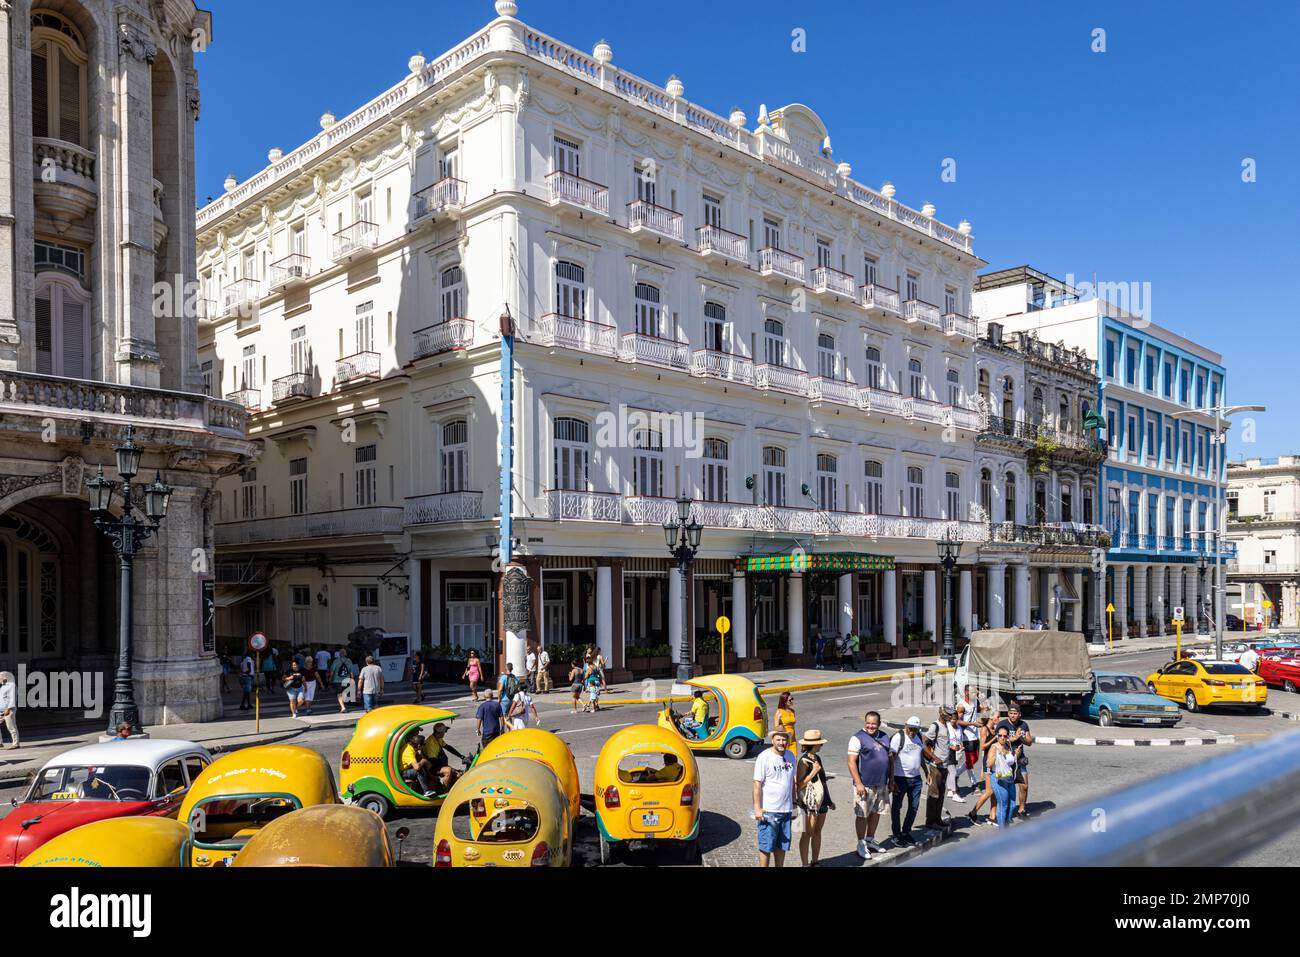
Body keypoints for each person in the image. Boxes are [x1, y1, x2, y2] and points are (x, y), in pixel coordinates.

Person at [847, 710, 892, 859]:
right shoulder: (857, 737)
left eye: (874, 723)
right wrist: (858, 783)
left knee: (876, 812)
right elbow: (851, 762)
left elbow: (891, 759)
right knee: (862, 815)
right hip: (865, 785)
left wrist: (891, 780)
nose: (871, 726)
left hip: (882, 783)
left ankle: (870, 840)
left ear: (879, 723)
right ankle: (861, 843)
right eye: (868, 723)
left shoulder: (884, 736)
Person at [889, 715, 936, 846]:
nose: (912, 732)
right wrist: (891, 780)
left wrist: (926, 772)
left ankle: (906, 832)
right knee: (897, 807)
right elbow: (891, 760)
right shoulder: (898, 737)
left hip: (916, 779)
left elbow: (919, 755)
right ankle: (896, 834)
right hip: (900, 778)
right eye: (910, 729)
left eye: (915, 729)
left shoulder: (919, 737)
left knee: (914, 807)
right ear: (905, 725)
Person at [752, 729, 796, 867]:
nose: (781, 742)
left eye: (784, 740)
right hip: (769, 810)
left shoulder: (790, 756)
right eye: (778, 739)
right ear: (772, 740)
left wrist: (794, 804)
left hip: (786, 810)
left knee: (782, 845)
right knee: (766, 846)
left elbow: (792, 782)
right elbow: (757, 784)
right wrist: (757, 808)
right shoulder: (764, 757)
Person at [795, 729, 834, 866]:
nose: (821, 746)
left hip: (821, 801)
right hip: (807, 804)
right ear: (815, 745)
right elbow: (798, 786)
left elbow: (822, 782)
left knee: (817, 832)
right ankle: (805, 864)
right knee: (807, 834)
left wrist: (829, 800)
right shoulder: (803, 762)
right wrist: (813, 772)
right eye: (820, 744)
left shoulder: (817, 758)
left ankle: (815, 861)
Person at [996, 702, 1034, 818]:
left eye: (1015, 713)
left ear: (1019, 714)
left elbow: (1029, 742)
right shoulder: (1002, 724)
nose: (1012, 715)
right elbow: (999, 741)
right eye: (1011, 713)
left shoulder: (1023, 725)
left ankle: (1021, 809)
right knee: (1005, 787)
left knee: (1024, 786)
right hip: (1006, 761)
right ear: (1008, 714)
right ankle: (1005, 811)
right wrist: (1015, 738)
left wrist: (1021, 737)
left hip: (1020, 760)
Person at [923, 706, 956, 830]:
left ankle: (937, 819)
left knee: (941, 793)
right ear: (942, 714)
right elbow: (924, 744)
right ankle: (930, 821)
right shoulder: (935, 726)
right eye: (948, 714)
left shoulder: (946, 725)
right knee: (933, 794)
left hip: (944, 766)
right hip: (936, 766)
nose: (950, 717)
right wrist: (934, 757)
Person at [987, 724, 1018, 828]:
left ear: (1008, 737)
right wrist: (997, 754)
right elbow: (988, 764)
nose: (1002, 738)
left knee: (1012, 804)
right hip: (998, 778)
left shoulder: (1007, 746)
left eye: (1005, 736)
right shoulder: (994, 747)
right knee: (1003, 806)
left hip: (1009, 777)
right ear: (997, 736)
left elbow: (1010, 763)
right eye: (1000, 735)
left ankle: (1006, 824)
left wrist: (1015, 755)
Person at [970, 715, 999, 826]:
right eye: (997, 717)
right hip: (987, 762)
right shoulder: (984, 729)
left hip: (994, 762)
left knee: (994, 790)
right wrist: (994, 738)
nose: (998, 719)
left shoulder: (994, 729)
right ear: (991, 718)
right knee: (989, 791)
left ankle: (992, 817)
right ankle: (973, 813)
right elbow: (983, 746)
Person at [422, 722, 468, 792]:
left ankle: (452, 791)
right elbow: (433, 760)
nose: (445, 733)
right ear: (439, 732)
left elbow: (448, 747)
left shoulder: (438, 738)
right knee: (449, 771)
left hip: (437, 764)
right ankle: (445, 791)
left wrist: (461, 756)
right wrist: (450, 767)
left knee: (458, 775)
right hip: (431, 766)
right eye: (445, 731)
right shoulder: (430, 742)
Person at [954, 685, 982, 795]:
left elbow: (982, 709)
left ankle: (955, 774)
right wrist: (972, 723)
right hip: (966, 736)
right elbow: (957, 721)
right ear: (966, 692)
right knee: (970, 761)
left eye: (975, 692)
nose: (975, 694)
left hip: (975, 734)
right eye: (972, 692)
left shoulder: (974, 701)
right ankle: (974, 785)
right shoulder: (961, 705)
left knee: (975, 759)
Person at [775, 691, 797, 758]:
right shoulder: (779, 712)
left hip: (793, 740)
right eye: (790, 700)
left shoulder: (792, 711)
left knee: (794, 758)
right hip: (784, 740)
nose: (792, 701)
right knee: (785, 759)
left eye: (792, 698)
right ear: (784, 701)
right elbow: (776, 727)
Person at [0, 671, 16, 749]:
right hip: (1, 710)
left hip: (9, 710)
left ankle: (16, 744)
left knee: (11, 726)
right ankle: (0, 743)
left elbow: (12, 698)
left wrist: (8, 708)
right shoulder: (3, 686)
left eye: (0, 677)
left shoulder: (12, 685)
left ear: (5, 677)